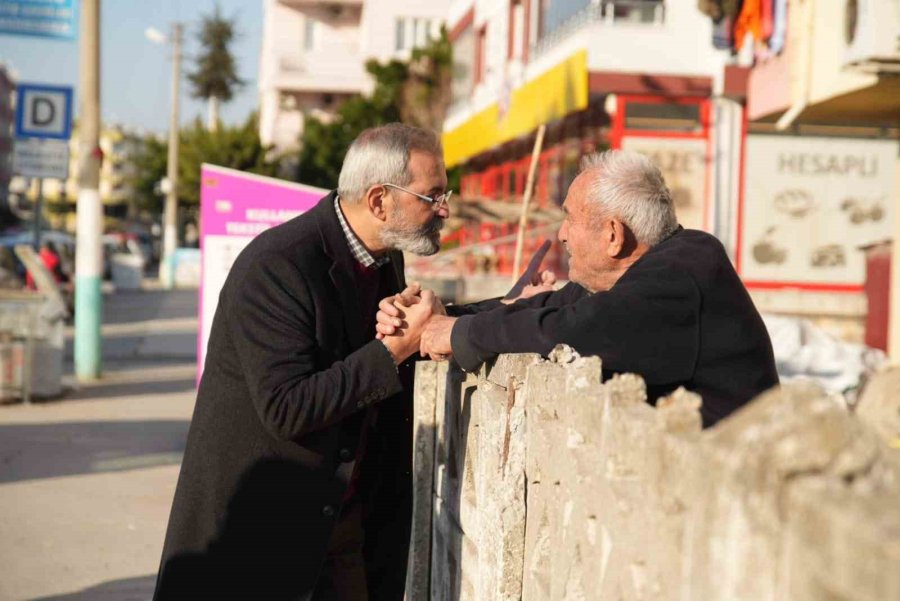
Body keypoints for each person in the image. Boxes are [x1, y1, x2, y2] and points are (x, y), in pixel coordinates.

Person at [154, 123, 451, 601]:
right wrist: (394, 349)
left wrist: (492, 314)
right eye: (431, 196)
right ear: (380, 201)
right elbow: (286, 407)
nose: (444, 210)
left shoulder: (382, 259)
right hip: (260, 540)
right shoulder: (278, 266)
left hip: (343, 529)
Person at [378, 149, 778, 427]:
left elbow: (571, 328)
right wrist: (446, 317)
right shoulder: (645, 269)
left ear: (612, 235)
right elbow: (554, 305)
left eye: (570, 218)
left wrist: (456, 334)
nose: (562, 234)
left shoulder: (680, 276)